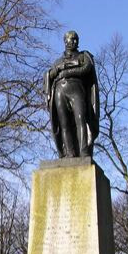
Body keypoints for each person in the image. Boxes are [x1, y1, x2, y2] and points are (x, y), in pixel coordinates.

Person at [44, 30, 100, 158]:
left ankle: (84, 151)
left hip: (76, 89)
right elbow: (50, 75)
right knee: (64, 123)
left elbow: (86, 68)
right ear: (65, 41)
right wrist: (58, 69)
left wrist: (66, 72)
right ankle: (69, 152)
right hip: (59, 90)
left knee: (81, 119)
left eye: (76, 39)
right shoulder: (58, 61)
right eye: (71, 39)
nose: (74, 41)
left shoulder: (83, 56)